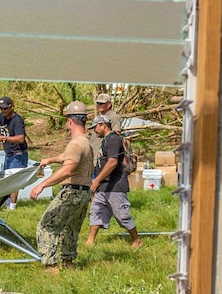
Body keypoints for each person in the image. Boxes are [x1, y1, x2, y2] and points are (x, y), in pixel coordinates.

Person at [28, 101, 94, 272]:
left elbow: (67, 170)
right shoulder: (86, 142)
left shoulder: (75, 143)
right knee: (70, 229)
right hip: (84, 193)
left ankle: (51, 266)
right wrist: (50, 159)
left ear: (70, 121)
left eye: (67, 121)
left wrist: (41, 185)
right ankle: (68, 263)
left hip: (71, 193)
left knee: (46, 226)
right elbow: (69, 156)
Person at [85, 115, 142, 248]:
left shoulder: (113, 139)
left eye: (95, 128)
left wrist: (97, 180)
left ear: (103, 124)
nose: (94, 131)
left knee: (122, 216)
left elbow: (112, 162)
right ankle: (90, 241)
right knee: (96, 211)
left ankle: (136, 240)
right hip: (103, 186)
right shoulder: (105, 140)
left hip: (115, 185)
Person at [0, 96, 28, 210]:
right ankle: (7, 203)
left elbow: (20, 139)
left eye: (5, 109)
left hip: (18, 154)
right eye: (1, 108)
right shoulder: (2, 117)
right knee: (7, 179)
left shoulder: (17, 120)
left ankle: (13, 207)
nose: (2, 111)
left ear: (12, 107)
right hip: (8, 154)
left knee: (14, 180)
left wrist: (4, 138)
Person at [89, 92, 122, 157]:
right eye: (98, 103)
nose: (99, 105)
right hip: (94, 152)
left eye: (101, 103)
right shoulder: (99, 116)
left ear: (109, 104)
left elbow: (116, 134)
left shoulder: (113, 117)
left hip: (103, 154)